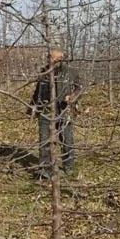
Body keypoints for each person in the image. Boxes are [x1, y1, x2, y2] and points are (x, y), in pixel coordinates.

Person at [27, 48, 82, 179]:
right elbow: (37, 91)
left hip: (63, 110)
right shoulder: (44, 72)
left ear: (60, 59)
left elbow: (79, 87)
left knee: (66, 139)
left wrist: (72, 97)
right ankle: (45, 169)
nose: (50, 60)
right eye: (49, 57)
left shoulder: (70, 72)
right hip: (45, 111)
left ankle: (68, 167)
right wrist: (32, 108)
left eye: (54, 58)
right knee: (44, 141)